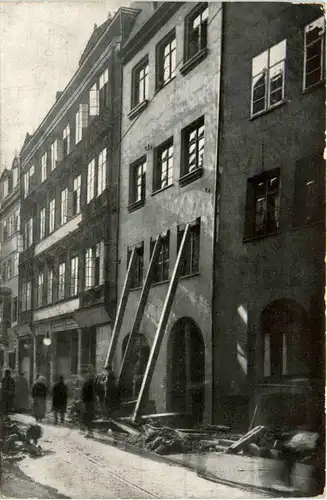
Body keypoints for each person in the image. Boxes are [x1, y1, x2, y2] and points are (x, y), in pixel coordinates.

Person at [81, 368, 96, 438]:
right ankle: (90, 432)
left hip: (88, 402)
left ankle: (89, 432)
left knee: (88, 417)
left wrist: (84, 401)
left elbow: (87, 393)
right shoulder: (90, 382)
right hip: (89, 402)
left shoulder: (88, 382)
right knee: (89, 416)